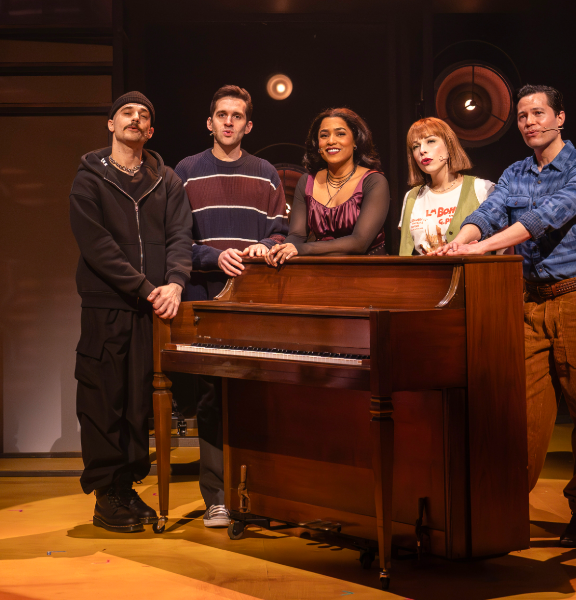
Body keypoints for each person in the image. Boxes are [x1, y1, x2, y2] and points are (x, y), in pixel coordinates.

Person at [434, 85, 576, 548]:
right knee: (524, 415)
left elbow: (547, 218)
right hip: (529, 302)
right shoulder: (514, 172)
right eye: (521, 116)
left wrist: (479, 247)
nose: (529, 121)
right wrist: (463, 238)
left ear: (560, 118)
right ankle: (508, 505)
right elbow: (489, 213)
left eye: (538, 113)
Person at [70, 91, 193, 532]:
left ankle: (125, 488)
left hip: (152, 308)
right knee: (104, 400)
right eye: (127, 113)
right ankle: (107, 495)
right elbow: (98, 247)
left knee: (139, 403)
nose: (135, 119)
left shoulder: (168, 181)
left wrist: (175, 282)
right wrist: (146, 288)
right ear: (111, 124)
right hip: (109, 306)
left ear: (151, 131)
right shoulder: (89, 179)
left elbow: (181, 234)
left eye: (144, 115)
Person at [173, 85, 288, 528]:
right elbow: (177, 238)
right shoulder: (186, 171)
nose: (228, 122)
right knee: (211, 397)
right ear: (209, 122)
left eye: (236, 116)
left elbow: (282, 231)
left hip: (255, 298)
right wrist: (210, 256)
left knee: (258, 394)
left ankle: (260, 493)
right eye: (221, 114)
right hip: (206, 296)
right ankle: (216, 497)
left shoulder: (265, 173)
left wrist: (262, 246)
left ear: (248, 125)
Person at [266, 108, 389, 266]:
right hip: (322, 272)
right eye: (324, 135)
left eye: (340, 134)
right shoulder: (306, 181)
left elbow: (360, 242)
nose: (331, 141)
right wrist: (284, 250)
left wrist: (301, 250)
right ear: (318, 144)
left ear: (356, 140)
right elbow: (296, 235)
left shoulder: (374, 181)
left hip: (369, 272)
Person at [398, 117, 495, 255]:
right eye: (415, 146)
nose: (422, 150)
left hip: (472, 274)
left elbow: (504, 248)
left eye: (430, 141)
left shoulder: (482, 189)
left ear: (449, 146)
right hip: (423, 275)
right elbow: (405, 249)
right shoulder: (412, 197)